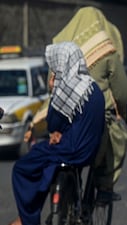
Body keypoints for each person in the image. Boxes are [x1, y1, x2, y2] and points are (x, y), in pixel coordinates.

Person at [25, 6, 127, 200]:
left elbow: (52, 87)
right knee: (117, 137)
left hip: (63, 117)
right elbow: (122, 92)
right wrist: (125, 114)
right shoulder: (106, 51)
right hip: (95, 121)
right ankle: (104, 187)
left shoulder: (62, 49)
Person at [9, 41, 105, 225]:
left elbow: (53, 123)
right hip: (89, 151)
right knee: (47, 162)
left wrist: (53, 91)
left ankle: (27, 218)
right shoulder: (93, 87)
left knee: (21, 168)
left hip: (71, 149)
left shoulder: (67, 88)